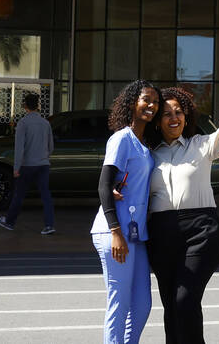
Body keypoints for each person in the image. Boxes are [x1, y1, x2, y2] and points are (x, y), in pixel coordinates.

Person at [146, 63, 219, 344]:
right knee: (172, 306)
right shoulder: (150, 155)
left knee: (185, 300)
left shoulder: (202, 145)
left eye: (178, 112)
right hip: (162, 235)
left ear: (186, 116)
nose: (173, 118)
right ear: (158, 120)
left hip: (200, 233)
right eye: (167, 114)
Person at [92, 80, 160, 344]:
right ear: (133, 102)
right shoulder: (121, 138)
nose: (151, 105)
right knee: (119, 304)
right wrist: (115, 232)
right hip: (115, 233)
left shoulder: (145, 143)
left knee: (142, 305)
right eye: (146, 99)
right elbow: (103, 184)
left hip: (137, 235)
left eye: (155, 101)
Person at [0, 92, 56, 235]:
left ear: (25, 106)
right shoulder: (45, 123)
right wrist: (44, 157)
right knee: (45, 195)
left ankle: (10, 222)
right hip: (43, 165)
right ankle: (49, 225)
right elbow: (51, 146)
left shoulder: (23, 123)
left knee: (20, 195)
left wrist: (16, 167)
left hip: (27, 165)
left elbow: (19, 148)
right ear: (38, 106)